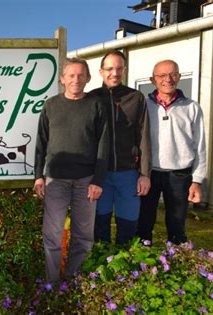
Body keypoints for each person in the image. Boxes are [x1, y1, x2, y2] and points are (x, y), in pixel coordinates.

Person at [34, 58, 109, 282]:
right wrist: (38, 175)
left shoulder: (96, 105)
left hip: (86, 181)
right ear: (62, 79)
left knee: (84, 236)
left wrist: (98, 180)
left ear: (88, 78)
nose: (76, 80)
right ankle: (52, 282)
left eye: (80, 75)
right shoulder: (51, 105)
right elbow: (41, 142)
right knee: (52, 234)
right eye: (71, 75)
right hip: (55, 180)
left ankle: (72, 279)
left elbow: (104, 145)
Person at [136, 60, 206, 244]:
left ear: (179, 77)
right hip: (148, 173)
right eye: (161, 75)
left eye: (173, 74)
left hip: (179, 175)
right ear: (153, 80)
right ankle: (141, 261)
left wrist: (197, 180)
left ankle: (175, 259)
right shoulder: (143, 106)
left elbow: (200, 145)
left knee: (176, 224)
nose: (168, 79)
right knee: (144, 222)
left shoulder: (191, 107)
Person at [89, 50, 151, 245]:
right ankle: (100, 266)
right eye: (109, 69)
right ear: (101, 71)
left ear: (124, 70)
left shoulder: (136, 98)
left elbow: (144, 137)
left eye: (118, 68)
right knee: (100, 226)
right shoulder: (91, 99)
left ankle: (124, 268)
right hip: (99, 175)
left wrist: (144, 173)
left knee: (128, 225)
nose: (114, 73)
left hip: (128, 174)